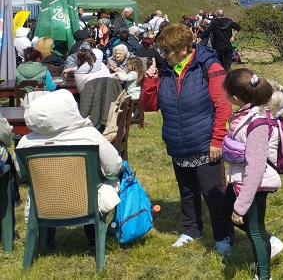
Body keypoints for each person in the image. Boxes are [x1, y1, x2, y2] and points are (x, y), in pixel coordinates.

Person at [140, 23, 233, 253]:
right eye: (163, 52)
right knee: (187, 191)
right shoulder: (166, 71)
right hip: (178, 143)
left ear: (184, 49)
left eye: (168, 51)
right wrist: (150, 80)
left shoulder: (208, 66)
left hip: (205, 142)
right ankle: (191, 229)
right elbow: (150, 106)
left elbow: (223, 105)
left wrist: (217, 140)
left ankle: (224, 236)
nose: (164, 56)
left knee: (214, 193)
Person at [15, 90, 122, 248]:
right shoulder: (89, 136)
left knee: (48, 187)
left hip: (45, 203)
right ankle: (95, 237)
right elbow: (114, 167)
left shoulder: (25, 142)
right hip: (86, 202)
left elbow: (21, 173)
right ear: (70, 109)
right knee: (101, 180)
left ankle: (46, 241)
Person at [221, 69, 283, 280]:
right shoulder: (246, 113)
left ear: (235, 97)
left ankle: (263, 275)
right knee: (225, 212)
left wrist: (241, 207)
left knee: (256, 230)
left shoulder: (256, 123)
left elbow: (256, 168)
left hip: (255, 184)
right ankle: (269, 243)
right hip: (240, 179)